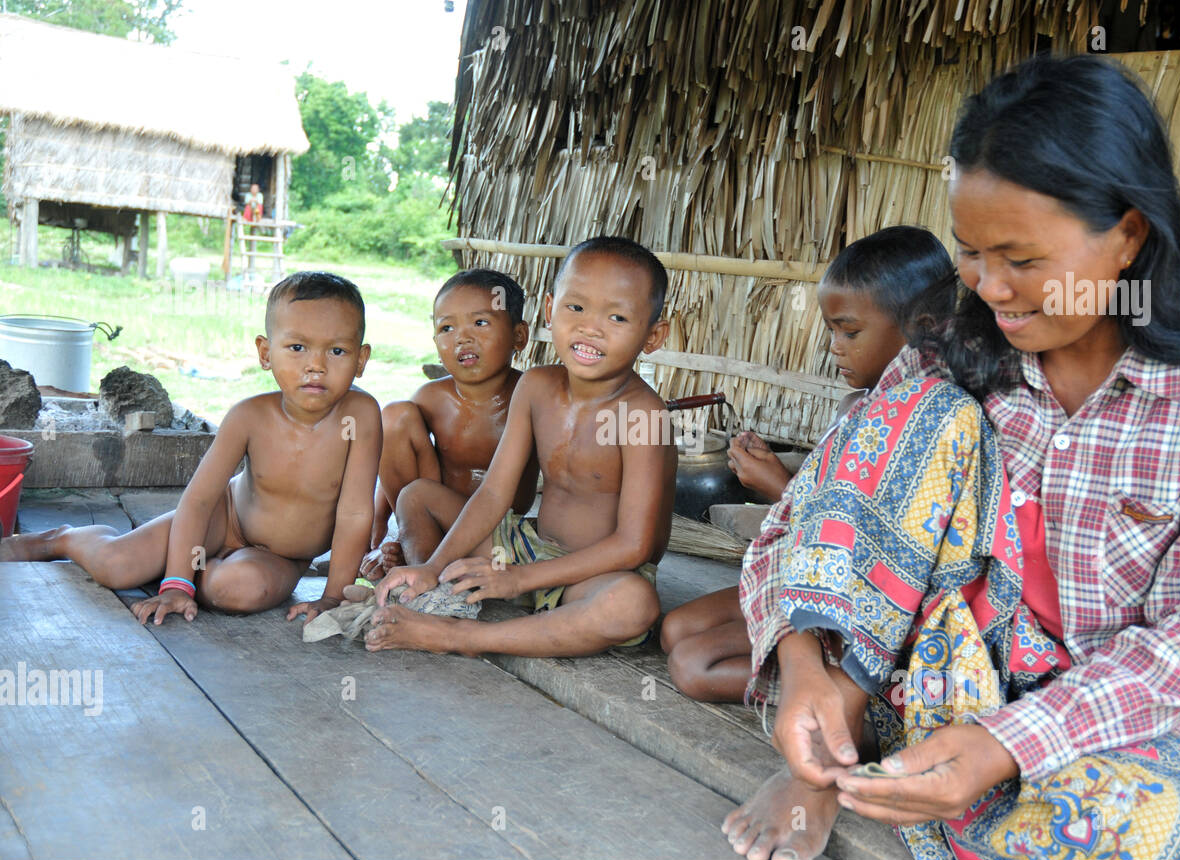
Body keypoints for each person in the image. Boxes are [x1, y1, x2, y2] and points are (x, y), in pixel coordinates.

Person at [725, 54, 1180, 860]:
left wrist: (1004, 743)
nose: (991, 287)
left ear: (1129, 233)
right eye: (970, 251)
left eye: (1023, 260)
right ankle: (835, 756)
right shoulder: (946, 356)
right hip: (932, 693)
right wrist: (806, 665)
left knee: (1172, 846)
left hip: (1120, 741)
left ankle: (901, 788)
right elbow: (798, 524)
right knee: (922, 414)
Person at [660, 226, 952, 702]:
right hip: (808, 572)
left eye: (850, 331)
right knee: (676, 628)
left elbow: (874, 549)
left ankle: (862, 704)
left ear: (920, 327)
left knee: (694, 665)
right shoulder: (859, 408)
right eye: (831, 330)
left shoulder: (927, 420)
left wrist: (778, 486)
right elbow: (840, 500)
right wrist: (782, 477)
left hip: (862, 610)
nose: (835, 346)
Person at [1, 272, 382, 627]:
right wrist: (176, 585)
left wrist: (334, 597)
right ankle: (60, 538)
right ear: (266, 353)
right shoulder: (248, 416)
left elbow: (354, 512)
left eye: (336, 351)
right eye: (297, 347)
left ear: (361, 359)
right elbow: (199, 501)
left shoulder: (361, 416)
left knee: (234, 591)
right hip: (222, 519)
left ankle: (195, 568)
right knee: (117, 565)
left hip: (283, 555)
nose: (315, 366)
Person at [366, 236, 675, 657]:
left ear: (653, 335)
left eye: (617, 317)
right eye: (576, 307)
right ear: (550, 310)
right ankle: (434, 594)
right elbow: (494, 493)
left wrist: (517, 580)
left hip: (593, 573)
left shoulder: (643, 414)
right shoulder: (536, 387)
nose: (590, 327)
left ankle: (460, 637)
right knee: (417, 496)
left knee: (632, 605)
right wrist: (432, 565)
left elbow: (634, 546)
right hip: (523, 547)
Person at [361, 269, 538, 581]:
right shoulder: (432, 398)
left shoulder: (533, 397)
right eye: (447, 327)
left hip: (496, 532)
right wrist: (379, 527)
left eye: (480, 323)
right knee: (393, 417)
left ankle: (423, 567)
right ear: (435, 342)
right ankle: (412, 542)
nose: (462, 337)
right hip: (432, 515)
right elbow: (390, 456)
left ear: (518, 336)